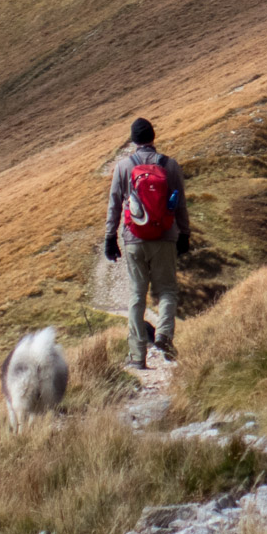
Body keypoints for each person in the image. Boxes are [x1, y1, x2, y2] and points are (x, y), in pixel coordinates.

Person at [103, 117, 189, 369]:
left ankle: (137, 357)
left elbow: (114, 205)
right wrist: (185, 233)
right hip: (165, 237)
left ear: (133, 140)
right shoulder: (170, 165)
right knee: (167, 291)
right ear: (153, 137)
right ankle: (163, 334)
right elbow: (181, 203)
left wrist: (110, 237)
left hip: (134, 239)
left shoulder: (123, 167)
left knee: (137, 296)